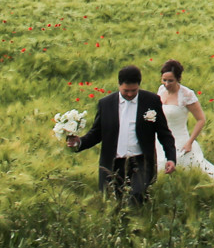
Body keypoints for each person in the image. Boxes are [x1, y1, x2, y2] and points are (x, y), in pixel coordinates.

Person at [65, 65, 178, 206]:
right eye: (126, 91)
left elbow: (164, 133)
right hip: (113, 163)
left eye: (134, 91)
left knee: (136, 196)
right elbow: (97, 133)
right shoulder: (105, 104)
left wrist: (171, 158)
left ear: (139, 86)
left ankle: (137, 225)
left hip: (140, 161)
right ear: (119, 85)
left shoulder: (151, 101)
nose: (130, 94)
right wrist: (79, 142)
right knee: (113, 203)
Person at [154, 60, 214, 184]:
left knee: (192, 173)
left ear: (178, 78)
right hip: (160, 138)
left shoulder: (186, 95)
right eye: (164, 80)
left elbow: (201, 119)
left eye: (170, 81)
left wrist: (190, 142)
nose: (166, 84)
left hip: (179, 140)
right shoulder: (161, 90)